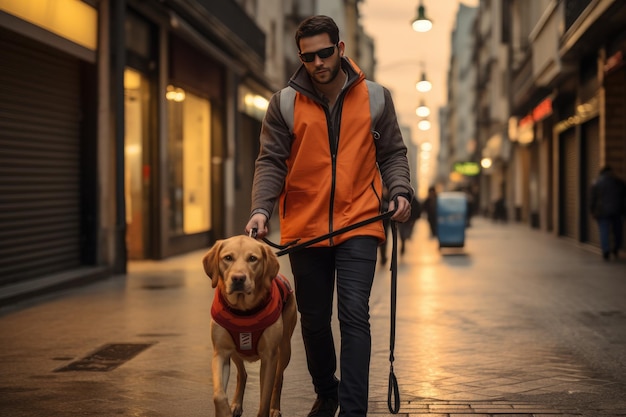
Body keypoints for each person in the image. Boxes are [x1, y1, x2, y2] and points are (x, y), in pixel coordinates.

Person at [245, 15, 413, 417]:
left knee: (354, 312)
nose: (318, 62)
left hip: (360, 222)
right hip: (306, 227)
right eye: (308, 56)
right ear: (300, 57)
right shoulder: (284, 102)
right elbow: (270, 161)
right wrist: (260, 210)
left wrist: (401, 191)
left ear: (340, 49)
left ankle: (353, 409)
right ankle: (328, 389)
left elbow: (392, 154)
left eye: (324, 53)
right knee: (314, 318)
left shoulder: (376, 97)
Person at [590, 166, 626, 260]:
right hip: (617, 211)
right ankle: (616, 248)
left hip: (602, 211)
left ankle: (606, 250)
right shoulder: (619, 182)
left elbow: (593, 198)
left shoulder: (597, 182)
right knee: (617, 231)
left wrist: (592, 210)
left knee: (604, 231)